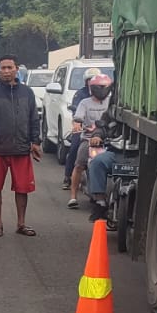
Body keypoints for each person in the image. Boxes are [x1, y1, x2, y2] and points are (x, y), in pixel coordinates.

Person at [0, 54, 42, 237]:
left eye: (9, 67)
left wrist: (35, 142)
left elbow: (34, 119)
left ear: (16, 69)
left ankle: (21, 224)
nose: (6, 71)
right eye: (3, 68)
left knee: (23, 188)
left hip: (21, 150)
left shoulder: (27, 93)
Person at [69, 74, 116, 219]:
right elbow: (78, 118)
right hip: (90, 138)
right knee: (79, 163)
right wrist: (78, 125)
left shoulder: (113, 104)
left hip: (111, 141)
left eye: (104, 87)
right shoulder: (85, 102)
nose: (101, 90)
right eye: (98, 87)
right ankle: (73, 196)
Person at [62, 68, 103, 190]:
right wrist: (78, 123)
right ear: (86, 81)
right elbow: (77, 111)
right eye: (90, 80)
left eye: (95, 79)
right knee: (74, 148)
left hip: (101, 131)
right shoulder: (81, 94)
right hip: (85, 130)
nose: (92, 82)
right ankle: (68, 176)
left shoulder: (106, 95)